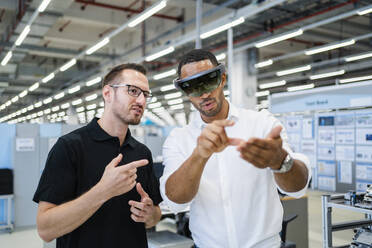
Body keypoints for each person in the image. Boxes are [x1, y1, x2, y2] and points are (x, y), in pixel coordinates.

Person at [159, 49, 311, 248]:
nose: (204, 93)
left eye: (209, 81)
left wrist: (280, 161)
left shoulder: (262, 123)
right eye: (193, 88)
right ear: (186, 93)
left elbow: (298, 188)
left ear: (222, 79)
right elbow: (175, 201)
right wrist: (199, 155)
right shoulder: (179, 139)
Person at [33, 63, 162, 248]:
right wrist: (103, 191)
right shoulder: (69, 147)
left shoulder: (141, 153)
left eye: (146, 94)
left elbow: (155, 215)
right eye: (133, 91)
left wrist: (150, 215)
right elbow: (46, 230)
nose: (141, 101)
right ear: (108, 93)